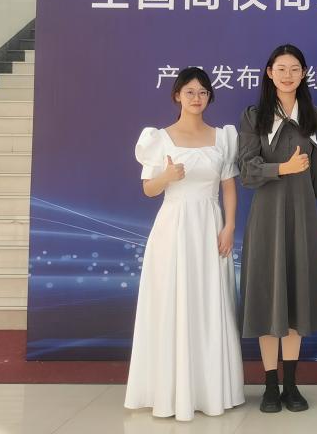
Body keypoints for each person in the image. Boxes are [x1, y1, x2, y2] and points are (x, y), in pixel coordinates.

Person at [124, 67, 244, 421]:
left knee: (210, 301)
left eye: (203, 92)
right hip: (173, 229)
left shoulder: (223, 138)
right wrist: (166, 176)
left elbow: (229, 186)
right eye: (190, 91)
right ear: (177, 95)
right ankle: (170, 391)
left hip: (210, 226)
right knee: (172, 302)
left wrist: (229, 226)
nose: (196, 98)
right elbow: (149, 189)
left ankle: (210, 390)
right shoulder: (159, 138)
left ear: (209, 97)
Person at [238, 44, 317, 414]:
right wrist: (282, 170)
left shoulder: (316, 117)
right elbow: (247, 171)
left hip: (303, 216)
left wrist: (300, 192)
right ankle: (269, 386)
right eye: (281, 68)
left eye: (295, 68)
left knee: (295, 298)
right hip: (266, 216)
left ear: (304, 74)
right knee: (267, 296)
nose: (288, 75)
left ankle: (291, 384)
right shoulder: (254, 116)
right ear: (269, 73)